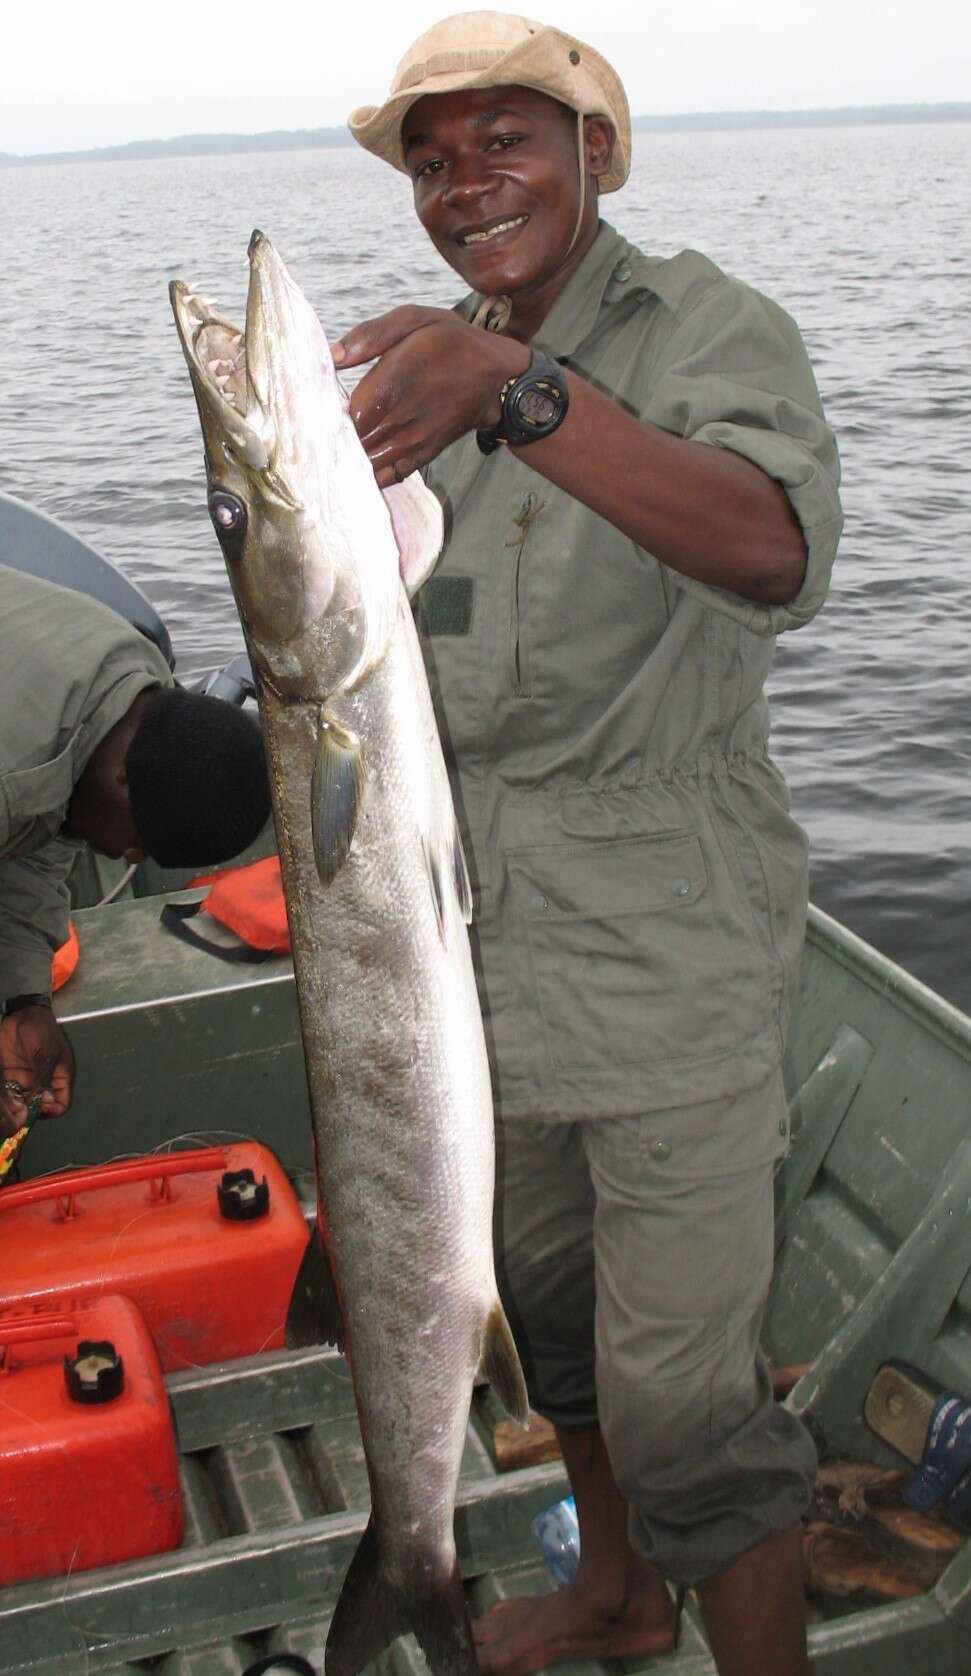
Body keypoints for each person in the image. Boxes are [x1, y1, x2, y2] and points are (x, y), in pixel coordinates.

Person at [338, 13, 842, 1675]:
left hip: (669, 948)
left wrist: (523, 388)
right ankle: (621, 1593)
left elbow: (768, 547)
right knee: (562, 1344)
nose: (462, 182)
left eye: (504, 141)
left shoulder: (704, 327)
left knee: (691, 1403)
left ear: (592, 155)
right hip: (475, 970)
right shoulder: (415, 381)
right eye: (431, 156)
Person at [0, 561, 271, 1137]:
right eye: (139, 841)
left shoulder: (130, 690)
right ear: (123, 781)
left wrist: (25, 1000)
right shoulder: (14, 771)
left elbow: (38, 840)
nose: (128, 859)